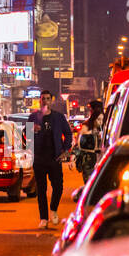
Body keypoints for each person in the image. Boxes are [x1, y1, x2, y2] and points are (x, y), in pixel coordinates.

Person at [30, 90, 72, 228]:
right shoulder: (33, 117)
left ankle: (53, 209)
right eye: (43, 98)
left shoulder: (58, 117)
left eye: (48, 98)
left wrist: (65, 150)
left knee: (58, 187)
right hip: (39, 159)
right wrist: (31, 130)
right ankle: (43, 218)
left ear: (51, 100)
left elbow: (68, 133)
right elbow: (24, 136)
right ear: (40, 100)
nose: (45, 101)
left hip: (55, 158)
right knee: (41, 190)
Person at [74, 99, 104, 183]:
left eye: (91, 109)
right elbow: (79, 144)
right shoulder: (86, 126)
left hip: (101, 160)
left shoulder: (105, 125)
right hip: (89, 161)